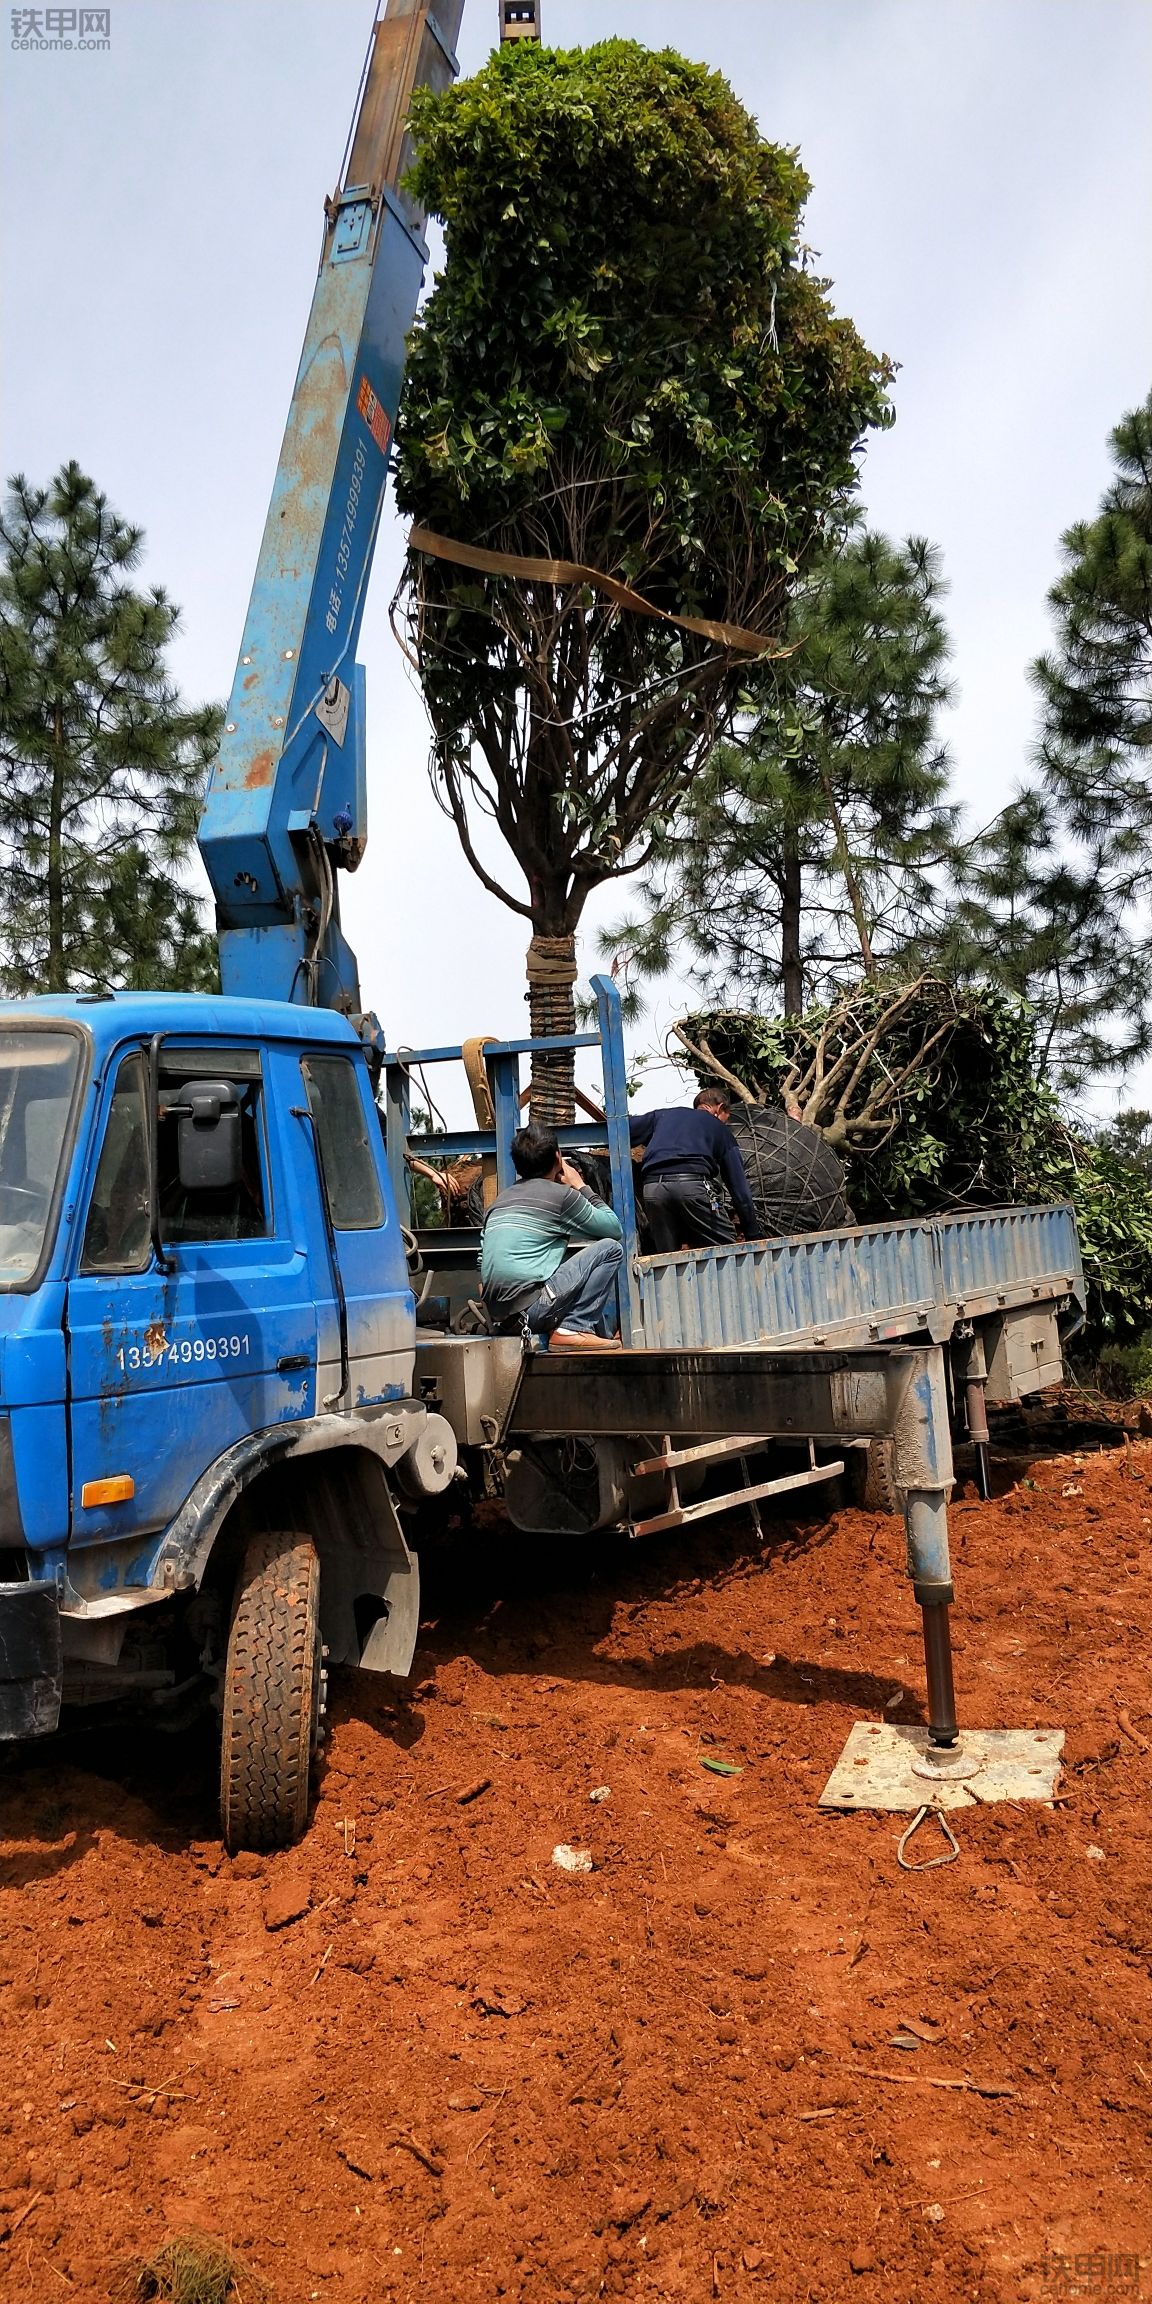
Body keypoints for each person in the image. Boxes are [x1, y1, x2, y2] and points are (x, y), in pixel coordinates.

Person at [480, 1123, 624, 1351]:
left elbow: (482, 1262)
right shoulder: (562, 1197)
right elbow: (614, 1228)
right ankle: (573, 1327)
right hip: (533, 1312)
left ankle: (568, 1326)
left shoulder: (499, 1202)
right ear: (558, 1157)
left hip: (501, 1318)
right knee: (610, 1249)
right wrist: (580, 1185)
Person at [629, 1088, 760, 1252]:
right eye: (726, 1119)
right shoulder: (718, 1128)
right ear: (719, 1109)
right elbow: (739, 1190)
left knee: (667, 1256)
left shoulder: (662, 1116)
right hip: (692, 1186)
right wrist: (753, 1235)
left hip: (653, 1189)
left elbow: (622, 1129)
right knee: (727, 1250)